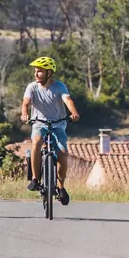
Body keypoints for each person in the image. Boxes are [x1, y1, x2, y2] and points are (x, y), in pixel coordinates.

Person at [20, 56, 79, 205]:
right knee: (36, 143)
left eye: (39, 71)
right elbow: (26, 102)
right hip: (39, 124)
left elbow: (68, 100)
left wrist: (74, 113)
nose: (36, 74)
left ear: (49, 73)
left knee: (63, 154)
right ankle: (35, 178)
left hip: (58, 125)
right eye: (35, 71)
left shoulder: (59, 86)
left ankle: (61, 187)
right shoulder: (32, 87)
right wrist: (24, 114)